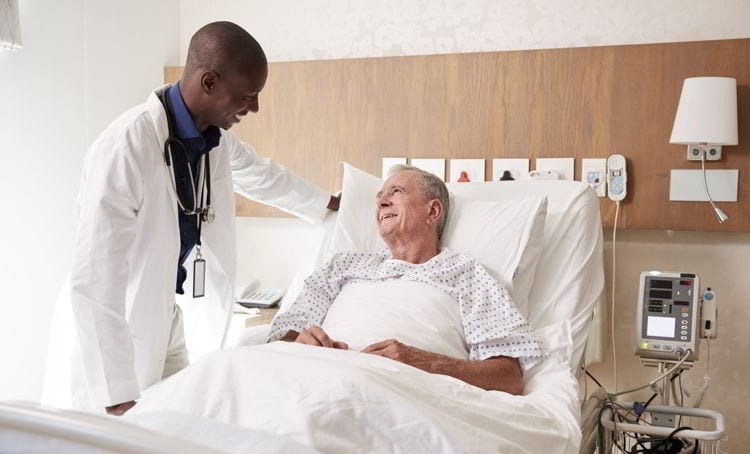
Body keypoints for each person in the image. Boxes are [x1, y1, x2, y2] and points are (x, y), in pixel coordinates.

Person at [42, 21, 338, 415]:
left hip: (164, 314)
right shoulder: (125, 148)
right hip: (111, 330)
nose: (254, 108)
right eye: (248, 95)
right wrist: (115, 395)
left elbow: (261, 174)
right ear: (210, 82)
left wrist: (327, 203)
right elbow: (95, 281)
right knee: (110, 452)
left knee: (185, 421)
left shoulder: (213, 137)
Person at [267, 165, 547, 395]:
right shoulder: (342, 266)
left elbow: (508, 378)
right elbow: (285, 336)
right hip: (312, 380)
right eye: (379, 197)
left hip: (402, 392)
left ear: (433, 211)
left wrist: (424, 362)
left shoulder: (467, 275)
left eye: (396, 192)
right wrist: (300, 343)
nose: (381, 202)